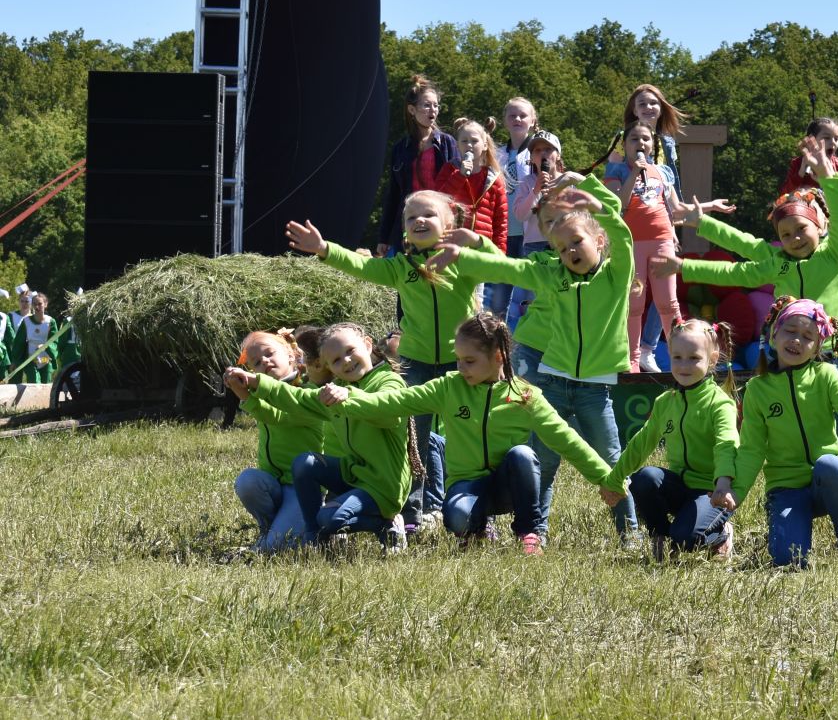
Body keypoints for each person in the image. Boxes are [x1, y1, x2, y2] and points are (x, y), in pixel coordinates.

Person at [659, 136, 838, 515]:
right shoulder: (779, 261)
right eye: (785, 234)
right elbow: (741, 257)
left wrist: (829, 176)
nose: (793, 239)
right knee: (781, 428)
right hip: (785, 357)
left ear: (820, 226)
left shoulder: (837, 255)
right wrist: (692, 248)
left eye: (801, 229)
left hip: (832, 356)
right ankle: (785, 492)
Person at [431, 171, 639, 541]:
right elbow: (508, 267)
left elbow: (623, 237)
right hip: (553, 381)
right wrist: (465, 254)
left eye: (577, 242)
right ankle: (536, 532)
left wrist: (594, 196)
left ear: (598, 240)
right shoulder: (553, 275)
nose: (570, 252)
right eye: (561, 248)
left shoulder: (616, 275)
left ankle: (631, 533)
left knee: (611, 460)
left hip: (595, 388)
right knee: (543, 461)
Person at [286, 192, 498, 533]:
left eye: (428, 214)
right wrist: (325, 249)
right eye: (411, 217)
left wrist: (476, 242)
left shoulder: (462, 261)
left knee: (471, 435)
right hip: (416, 362)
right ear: (404, 231)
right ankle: (412, 513)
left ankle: (475, 513)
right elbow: (364, 266)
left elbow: (496, 262)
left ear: (449, 224)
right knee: (414, 438)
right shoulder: (402, 268)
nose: (419, 220)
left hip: (464, 362)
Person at [322, 312, 618, 556]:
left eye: (469, 361)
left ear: (499, 356)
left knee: (524, 454)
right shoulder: (449, 387)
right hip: (466, 484)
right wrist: (350, 398)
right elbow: (396, 401)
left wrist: (605, 478)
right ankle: (475, 530)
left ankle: (528, 533)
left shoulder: (525, 395)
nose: (461, 367)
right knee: (458, 518)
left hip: (508, 485)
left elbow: (565, 438)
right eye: (458, 359)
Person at [721, 297, 838, 568]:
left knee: (830, 464)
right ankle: (791, 528)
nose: (797, 340)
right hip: (786, 488)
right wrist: (736, 495)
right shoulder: (757, 389)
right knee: (788, 561)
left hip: (827, 482)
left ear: (818, 347)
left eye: (807, 336)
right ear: (774, 334)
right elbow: (752, 449)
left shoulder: (826, 375)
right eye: (790, 331)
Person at [228, 321, 415, 551]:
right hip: (353, 473)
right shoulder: (335, 389)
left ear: (367, 345)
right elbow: (296, 400)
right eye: (336, 361)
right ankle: (313, 536)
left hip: (383, 485)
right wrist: (255, 382)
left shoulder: (387, 381)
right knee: (305, 463)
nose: (346, 361)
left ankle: (386, 523)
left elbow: (389, 415)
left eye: (350, 351)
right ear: (329, 368)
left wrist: (349, 396)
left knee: (329, 519)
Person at [602, 318, 741, 559]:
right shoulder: (665, 402)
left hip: (713, 493)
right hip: (681, 487)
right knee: (645, 478)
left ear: (713, 359)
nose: (684, 365)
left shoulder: (720, 404)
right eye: (677, 357)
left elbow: (726, 445)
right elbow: (641, 443)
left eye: (694, 358)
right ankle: (661, 536)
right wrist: (614, 479)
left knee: (687, 539)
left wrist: (723, 483)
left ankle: (721, 534)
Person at [224, 329, 319, 556]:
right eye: (256, 362)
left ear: (290, 354)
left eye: (269, 354)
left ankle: (280, 536)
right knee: (247, 480)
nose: (264, 361)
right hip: (276, 483)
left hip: (305, 487)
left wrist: (246, 395)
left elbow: (278, 415)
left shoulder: (308, 390)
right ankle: (270, 528)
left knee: (273, 549)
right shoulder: (262, 393)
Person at [614, 122, 684, 373]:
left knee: (668, 303)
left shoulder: (663, 172)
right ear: (624, 146)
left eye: (645, 139)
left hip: (662, 240)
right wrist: (635, 173)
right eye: (634, 139)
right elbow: (618, 204)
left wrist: (707, 210)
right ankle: (632, 361)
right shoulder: (618, 171)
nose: (640, 144)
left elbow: (674, 207)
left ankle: (681, 354)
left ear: (653, 145)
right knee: (634, 304)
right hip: (631, 244)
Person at [378, 74, 458, 257]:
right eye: (427, 105)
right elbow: (393, 195)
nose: (433, 110)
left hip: (440, 224)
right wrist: (384, 237)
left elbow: (458, 189)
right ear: (412, 110)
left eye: (436, 105)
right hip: (408, 226)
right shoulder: (400, 149)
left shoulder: (448, 143)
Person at [505, 127, 565, 331]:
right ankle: (534, 338)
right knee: (535, 297)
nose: (543, 154)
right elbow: (520, 215)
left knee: (560, 293)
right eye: (537, 151)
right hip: (534, 246)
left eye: (548, 150)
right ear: (531, 158)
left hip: (562, 246)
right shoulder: (527, 183)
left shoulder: (569, 182)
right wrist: (536, 190)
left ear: (558, 154)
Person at [487, 96, 539, 317]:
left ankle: (531, 345)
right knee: (498, 296)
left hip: (531, 233)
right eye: (512, 115)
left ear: (533, 121)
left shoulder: (538, 152)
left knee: (531, 294)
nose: (517, 119)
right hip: (504, 232)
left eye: (523, 115)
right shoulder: (496, 153)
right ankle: (495, 343)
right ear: (505, 121)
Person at [444, 118, 509, 254]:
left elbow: (501, 222)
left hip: (482, 247)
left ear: (485, 145)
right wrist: (459, 176)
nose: (469, 145)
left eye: (474, 141)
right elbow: (438, 200)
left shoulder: (494, 179)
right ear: (457, 146)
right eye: (464, 141)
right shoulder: (449, 170)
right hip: (453, 246)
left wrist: (500, 253)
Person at [607, 83, 685, 192]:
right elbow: (612, 172)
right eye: (642, 104)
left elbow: (669, 179)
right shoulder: (623, 138)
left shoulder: (667, 141)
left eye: (653, 103)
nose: (648, 107)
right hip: (630, 202)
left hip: (658, 201)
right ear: (635, 111)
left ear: (661, 109)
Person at [781, 117, 838, 191]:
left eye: (836, 139)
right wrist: (801, 172)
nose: (833, 142)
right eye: (826, 138)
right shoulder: (797, 163)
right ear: (812, 139)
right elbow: (783, 197)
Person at [9, 293, 63, 384]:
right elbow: (19, 343)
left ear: (45, 304)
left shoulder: (50, 322)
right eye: (34, 304)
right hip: (31, 359)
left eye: (40, 304)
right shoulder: (26, 321)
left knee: (46, 385)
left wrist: (45, 346)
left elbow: (54, 341)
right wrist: (14, 361)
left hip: (46, 359)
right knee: (34, 383)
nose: (37, 306)